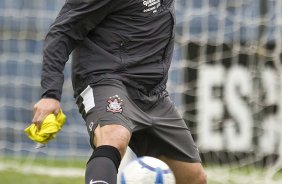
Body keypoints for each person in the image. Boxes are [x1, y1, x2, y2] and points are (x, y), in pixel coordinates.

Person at [31, 0, 207, 183]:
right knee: (115, 134)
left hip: (153, 94)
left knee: (194, 178)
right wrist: (50, 95)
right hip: (105, 79)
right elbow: (60, 32)